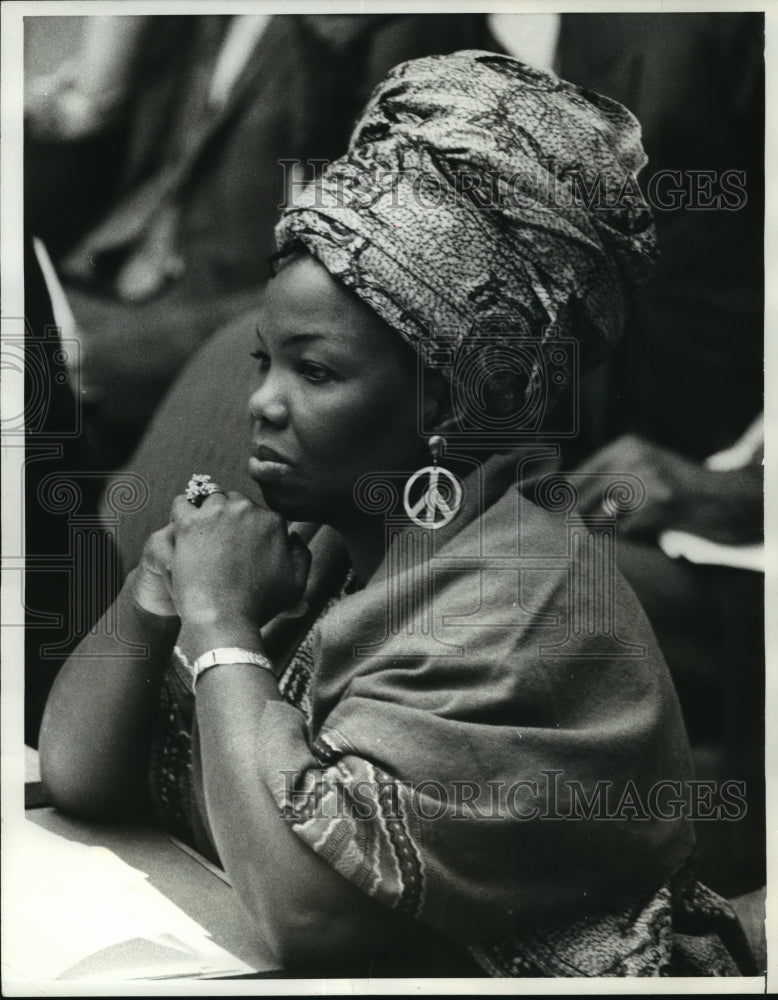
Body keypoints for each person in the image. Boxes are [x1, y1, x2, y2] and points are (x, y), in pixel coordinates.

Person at [38, 52, 755, 977]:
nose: (262, 402)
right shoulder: (333, 542)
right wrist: (159, 583)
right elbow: (77, 775)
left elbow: (312, 920)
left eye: (318, 371)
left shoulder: (521, 613)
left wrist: (220, 630)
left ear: (454, 402)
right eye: (263, 360)